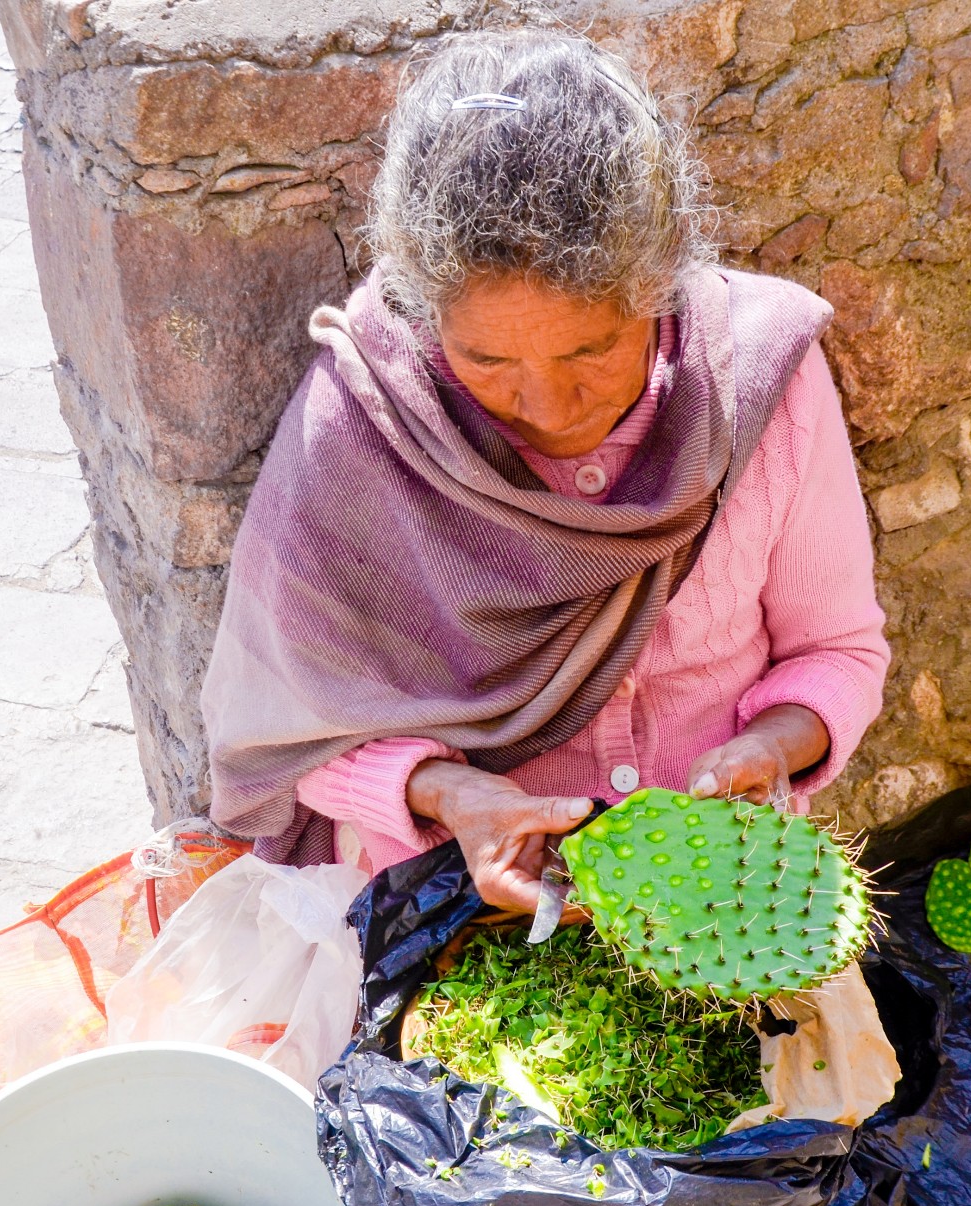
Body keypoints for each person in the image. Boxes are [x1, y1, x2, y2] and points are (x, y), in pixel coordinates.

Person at [201, 29, 889, 915]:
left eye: (593, 349)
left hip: (718, 898)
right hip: (459, 896)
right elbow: (286, 726)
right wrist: (452, 794)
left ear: (661, 281)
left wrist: (776, 743)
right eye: (487, 360)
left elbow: (837, 649)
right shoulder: (368, 426)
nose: (550, 405)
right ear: (423, 314)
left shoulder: (760, 388)